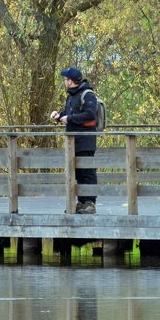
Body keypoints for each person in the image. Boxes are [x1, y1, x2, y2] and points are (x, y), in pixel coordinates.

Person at [51, 66, 99, 214]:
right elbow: (68, 113)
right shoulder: (71, 97)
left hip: (85, 141)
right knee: (76, 173)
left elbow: (90, 115)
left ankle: (90, 203)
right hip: (73, 142)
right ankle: (81, 203)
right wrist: (59, 116)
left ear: (71, 81)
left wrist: (69, 118)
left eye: (65, 80)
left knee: (87, 172)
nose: (64, 82)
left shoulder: (88, 95)